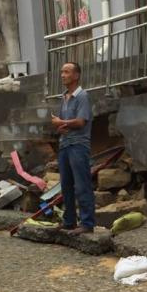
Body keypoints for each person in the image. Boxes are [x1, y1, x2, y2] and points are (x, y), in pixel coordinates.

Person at [50, 62, 95, 234]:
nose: (62, 75)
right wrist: (61, 126)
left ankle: (87, 223)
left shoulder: (82, 96)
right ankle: (69, 221)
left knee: (82, 184)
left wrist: (61, 122)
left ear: (76, 75)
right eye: (62, 72)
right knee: (66, 185)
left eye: (67, 72)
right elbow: (67, 123)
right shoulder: (64, 97)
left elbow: (81, 121)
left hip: (78, 145)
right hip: (64, 144)